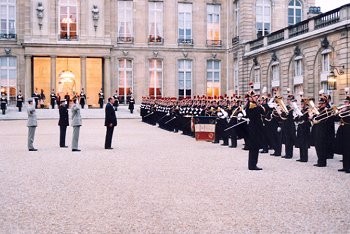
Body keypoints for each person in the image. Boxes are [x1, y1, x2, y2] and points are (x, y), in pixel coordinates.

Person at [245, 90, 265, 170]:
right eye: (254, 96)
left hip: (255, 128)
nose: (256, 97)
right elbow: (258, 112)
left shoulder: (254, 104)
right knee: (254, 147)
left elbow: (263, 112)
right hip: (254, 129)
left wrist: (258, 105)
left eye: (255, 96)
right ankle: (252, 165)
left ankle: (253, 164)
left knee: (255, 147)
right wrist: (259, 106)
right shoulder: (251, 105)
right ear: (250, 98)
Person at [335, 94, 350, 173]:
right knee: (344, 149)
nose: (345, 104)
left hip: (348, 130)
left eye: (347, 102)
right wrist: (339, 112)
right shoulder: (344, 110)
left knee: (348, 149)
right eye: (345, 102)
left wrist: (343, 112)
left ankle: (349, 167)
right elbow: (337, 119)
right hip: (342, 130)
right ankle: (345, 166)